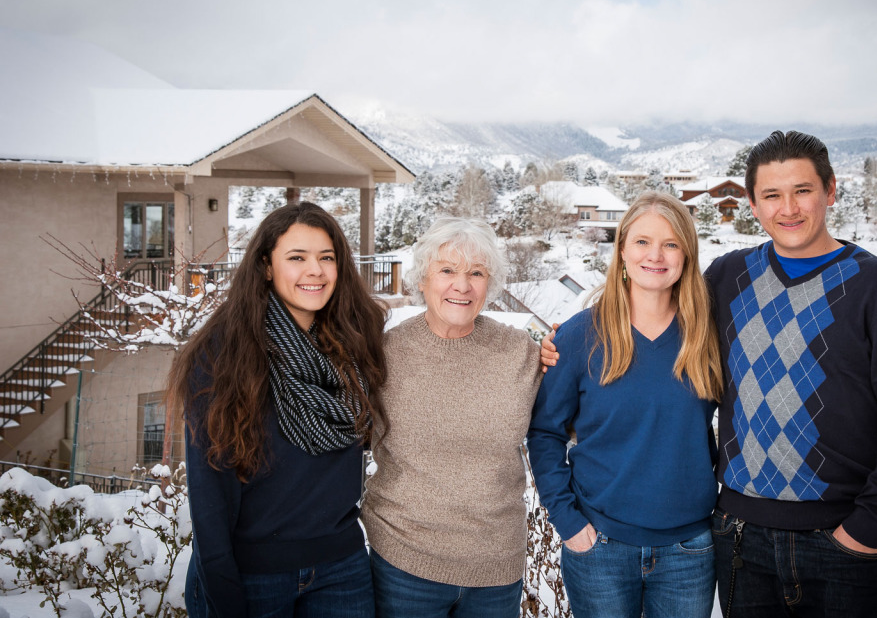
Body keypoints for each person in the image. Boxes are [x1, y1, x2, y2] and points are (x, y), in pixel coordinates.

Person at [705, 131, 877, 617]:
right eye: (771, 194)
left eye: (803, 190)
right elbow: (657, 338)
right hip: (740, 538)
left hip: (842, 543)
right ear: (752, 203)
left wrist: (864, 528)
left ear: (831, 191)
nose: (788, 208)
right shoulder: (727, 278)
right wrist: (576, 339)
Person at [167, 202, 387, 618]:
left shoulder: (355, 343)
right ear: (266, 266)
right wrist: (222, 587)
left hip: (341, 569)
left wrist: (538, 354)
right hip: (252, 573)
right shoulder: (224, 355)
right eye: (297, 258)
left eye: (327, 258)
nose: (316, 271)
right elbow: (208, 487)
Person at [528, 191, 723, 618]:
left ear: (687, 255)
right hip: (600, 546)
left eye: (671, 244)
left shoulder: (708, 336)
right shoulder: (579, 337)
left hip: (688, 550)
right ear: (621, 250)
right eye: (642, 242)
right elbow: (544, 434)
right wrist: (569, 523)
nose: (656, 255)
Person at [361, 217, 543, 618]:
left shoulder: (522, 352)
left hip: (496, 569)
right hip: (403, 564)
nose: (462, 286)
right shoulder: (385, 355)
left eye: (476, 273)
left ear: (489, 285)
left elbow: (568, 423)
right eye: (447, 270)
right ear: (422, 279)